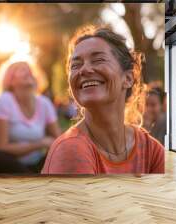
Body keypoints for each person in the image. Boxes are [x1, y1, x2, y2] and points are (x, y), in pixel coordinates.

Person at [42, 26, 165, 174]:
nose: (84, 70)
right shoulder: (70, 148)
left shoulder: (151, 150)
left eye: (98, 60)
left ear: (128, 78)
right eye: (75, 65)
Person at [0, 61, 61, 173]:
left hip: (39, 163)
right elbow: (1, 147)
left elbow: (57, 139)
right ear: (10, 80)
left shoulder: (44, 103)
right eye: (21, 69)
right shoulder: (4, 100)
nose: (28, 72)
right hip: (14, 164)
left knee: (64, 150)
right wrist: (39, 144)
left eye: (29, 70)